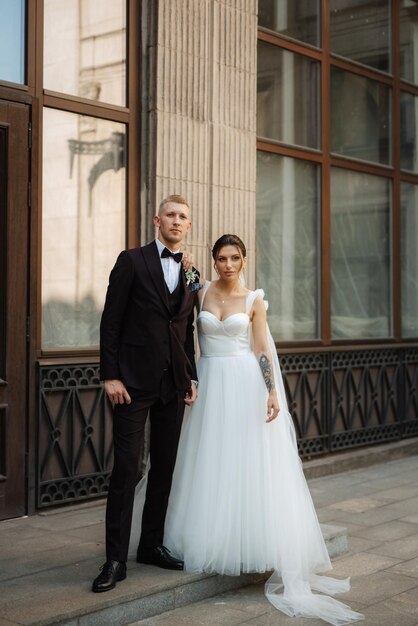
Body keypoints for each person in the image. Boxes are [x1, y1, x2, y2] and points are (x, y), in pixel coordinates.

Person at [161, 234, 364, 625]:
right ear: (213, 260)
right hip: (210, 385)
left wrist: (271, 391)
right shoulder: (199, 292)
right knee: (208, 459)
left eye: (234, 258)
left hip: (243, 385)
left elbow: (260, 349)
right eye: (221, 258)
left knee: (246, 459)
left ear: (245, 259)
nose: (228, 264)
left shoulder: (254, 300)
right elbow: (182, 319)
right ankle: (207, 538)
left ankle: (247, 541)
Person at [92, 194, 200, 593]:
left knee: (165, 468)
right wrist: (110, 375)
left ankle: (151, 545)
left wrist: (192, 378)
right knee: (126, 470)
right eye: (170, 215)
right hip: (131, 385)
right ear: (158, 220)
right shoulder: (131, 260)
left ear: (188, 226)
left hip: (173, 386)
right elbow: (111, 321)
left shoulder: (191, 273)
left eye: (183, 217)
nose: (176, 221)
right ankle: (115, 559)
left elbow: (185, 330)